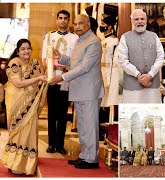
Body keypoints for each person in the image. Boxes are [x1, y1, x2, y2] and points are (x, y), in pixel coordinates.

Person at [49, 14, 104, 169]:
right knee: (82, 125)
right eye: (75, 24)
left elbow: (85, 67)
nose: (77, 26)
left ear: (88, 24)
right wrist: (61, 57)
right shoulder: (81, 40)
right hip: (79, 89)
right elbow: (75, 62)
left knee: (89, 126)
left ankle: (91, 159)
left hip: (89, 90)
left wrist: (62, 78)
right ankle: (84, 156)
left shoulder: (94, 42)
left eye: (81, 23)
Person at [1, 39, 47, 175]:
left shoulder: (34, 63)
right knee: (18, 131)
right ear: (17, 51)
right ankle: (15, 163)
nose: (26, 51)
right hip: (16, 102)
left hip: (30, 104)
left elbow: (44, 77)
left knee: (30, 130)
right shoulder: (14, 63)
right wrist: (38, 79)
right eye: (23, 49)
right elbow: (18, 83)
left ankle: (26, 162)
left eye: (28, 48)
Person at [41, 10, 78, 154]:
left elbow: (75, 60)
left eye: (65, 18)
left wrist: (65, 69)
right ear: (57, 20)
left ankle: (60, 144)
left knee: (63, 113)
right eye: (60, 18)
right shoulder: (49, 36)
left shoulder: (74, 38)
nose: (62, 21)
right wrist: (53, 67)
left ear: (69, 21)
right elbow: (45, 58)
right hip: (51, 78)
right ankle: (51, 144)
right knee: (52, 113)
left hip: (66, 79)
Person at [118, 9, 164, 103]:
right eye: (136, 19)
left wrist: (150, 75)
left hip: (152, 85)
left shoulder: (154, 36)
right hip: (132, 87)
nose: (140, 21)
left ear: (146, 20)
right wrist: (138, 75)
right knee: (133, 115)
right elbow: (123, 60)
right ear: (132, 21)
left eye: (142, 19)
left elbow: (160, 57)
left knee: (152, 114)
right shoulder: (125, 37)